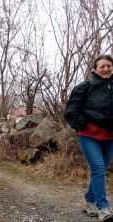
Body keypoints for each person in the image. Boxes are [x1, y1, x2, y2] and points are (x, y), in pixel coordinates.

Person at [65, 54, 113, 222]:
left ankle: (89, 201)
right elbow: (71, 111)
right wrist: (84, 125)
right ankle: (103, 207)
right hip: (89, 135)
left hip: (110, 137)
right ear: (95, 69)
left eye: (109, 66)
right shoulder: (85, 87)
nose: (106, 69)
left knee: (101, 171)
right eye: (102, 66)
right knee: (98, 169)